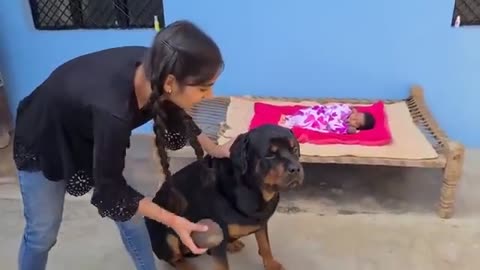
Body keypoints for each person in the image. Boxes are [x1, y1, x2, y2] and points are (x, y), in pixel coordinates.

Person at [13, 20, 235, 270]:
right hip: (45, 140)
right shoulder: (113, 111)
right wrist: (175, 221)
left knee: (131, 216)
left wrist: (214, 148)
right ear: (171, 83)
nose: (211, 95)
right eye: (204, 87)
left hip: (93, 131)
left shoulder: (159, 71)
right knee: (42, 234)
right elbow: (111, 192)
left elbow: (179, 114)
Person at [278, 103, 376, 134]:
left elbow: (333, 126)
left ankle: (292, 121)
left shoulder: (344, 126)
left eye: (356, 123)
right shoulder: (346, 110)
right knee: (309, 112)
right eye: (356, 116)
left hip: (321, 120)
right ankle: (292, 119)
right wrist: (349, 108)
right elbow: (335, 107)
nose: (353, 119)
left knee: (307, 120)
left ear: (357, 127)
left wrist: (347, 130)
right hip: (319, 112)